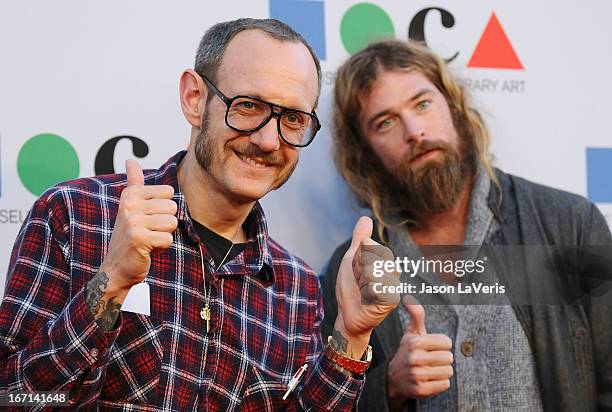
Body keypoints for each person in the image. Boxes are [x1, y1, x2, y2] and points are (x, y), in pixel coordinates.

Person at [0, 19, 400, 410]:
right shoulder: (77, 215)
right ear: (194, 98)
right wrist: (111, 283)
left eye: (293, 119)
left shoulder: (298, 288)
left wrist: (350, 334)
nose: (268, 139)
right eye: (248, 106)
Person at [321, 39, 612, 411]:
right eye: (386, 122)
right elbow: (329, 402)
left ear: (454, 108)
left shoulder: (570, 224)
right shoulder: (349, 272)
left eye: (422, 103)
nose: (414, 131)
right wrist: (389, 386)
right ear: (366, 154)